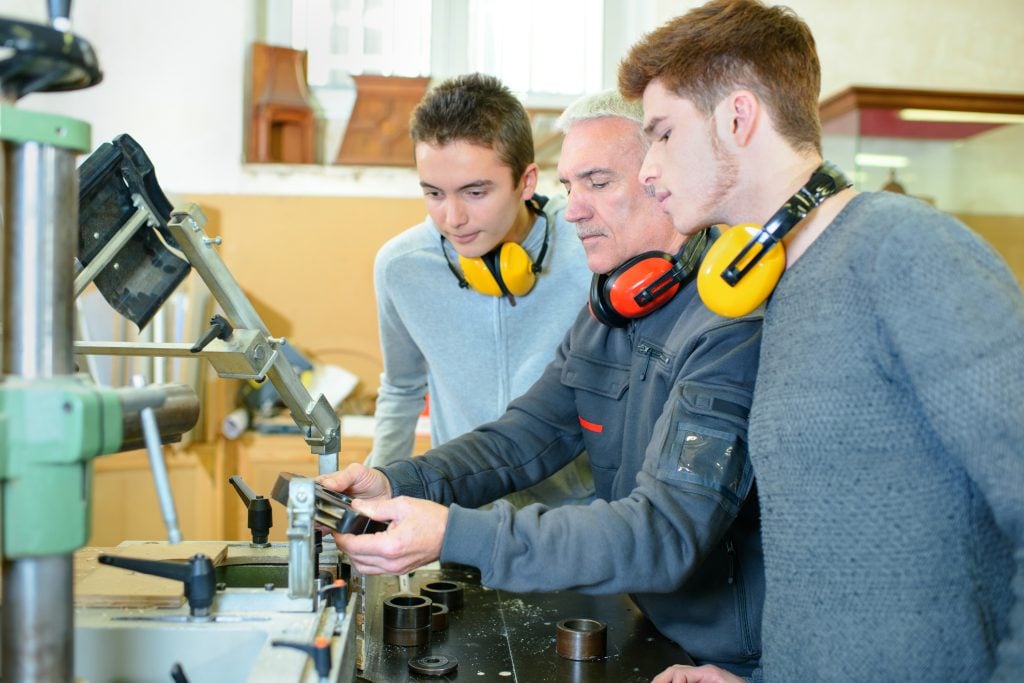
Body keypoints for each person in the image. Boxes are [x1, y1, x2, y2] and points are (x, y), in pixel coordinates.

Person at [618, 1, 1024, 681]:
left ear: (737, 117)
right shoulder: (785, 282)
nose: (646, 170)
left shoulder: (905, 248)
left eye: (661, 134)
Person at [321, 89, 766, 676]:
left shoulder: (729, 326)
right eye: (570, 186)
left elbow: (666, 530)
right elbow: (524, 436)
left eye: (599, 183)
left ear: (665, 179)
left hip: (729, 654)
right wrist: (395, 480)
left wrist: (456, 533)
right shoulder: (609, 310)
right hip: (648, 620)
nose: (574, 208)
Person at [367, 73, 593, 509]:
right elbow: (401, 388)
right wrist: (379, 499)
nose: (452, 218)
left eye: (475, 192)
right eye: (434, 193)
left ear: (526, 182)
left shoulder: (591, 250)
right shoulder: (401, 268)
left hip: (577, 525)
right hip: (463, 524)